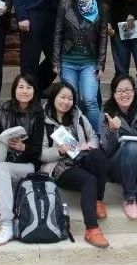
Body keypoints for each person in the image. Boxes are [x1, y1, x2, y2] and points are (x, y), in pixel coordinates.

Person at [41, 82, 109, 248]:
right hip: (60, 167)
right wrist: (58, 151)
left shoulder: (78, 116)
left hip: (81, 158)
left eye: (70, 98)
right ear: (53, 97)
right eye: (62, 97)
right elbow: (41, 154)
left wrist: (88, 145)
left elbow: (94, 137)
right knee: (89, 180)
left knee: (98, 155)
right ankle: (91, 229)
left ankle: (97, 200)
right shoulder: (43, 121)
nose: (66, 102)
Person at [0, 74, 45, 246]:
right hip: (6, 161)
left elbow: (39, 150)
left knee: (1, 168)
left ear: (34, 91)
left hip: (27, 165)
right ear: (14, 90)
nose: (25, 91)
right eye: (21, 87)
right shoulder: (4, 110)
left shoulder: (39, 114)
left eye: (29, 87)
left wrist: (23, 147)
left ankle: (6, 224)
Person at [52, 0, 108, 133]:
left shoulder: (101, 7)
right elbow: (58, 34)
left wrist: (101, 64)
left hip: (89, 63)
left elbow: (103, 37)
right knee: (71, 101)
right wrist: (55, 61)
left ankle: (97, 138)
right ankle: (73, 136)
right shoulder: (65, 4)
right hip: (68, 62)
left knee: (90, 100)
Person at [100, 74, 137, 219]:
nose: (124, 94)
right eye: (120, 91)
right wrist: (111, 130)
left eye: (128, 90)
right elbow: (106, 149)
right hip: (118, 167)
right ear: (113, 94)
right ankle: (129, 197)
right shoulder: (106, 114)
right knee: (132, 146)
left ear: (134, 91)